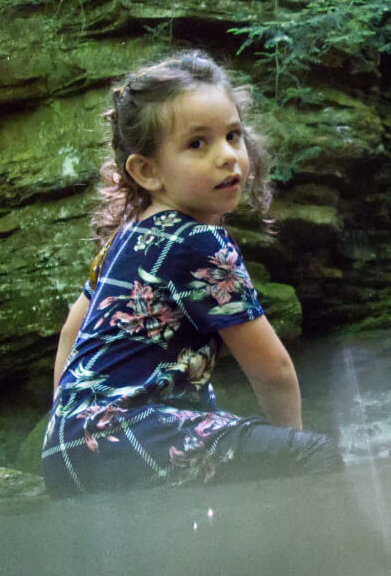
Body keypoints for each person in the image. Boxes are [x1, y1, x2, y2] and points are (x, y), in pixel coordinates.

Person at [42, 50, 340, 498]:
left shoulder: (127, 237)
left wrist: (69, 433)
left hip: (66, 447)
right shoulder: (200, 242)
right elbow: (272, 370)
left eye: (233, 136)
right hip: (132, 435)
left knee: (221, 436)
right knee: (316, 457)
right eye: (197, 143)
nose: (228, 156)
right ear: (148, 171)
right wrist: (292, 454)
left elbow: (71, 333)